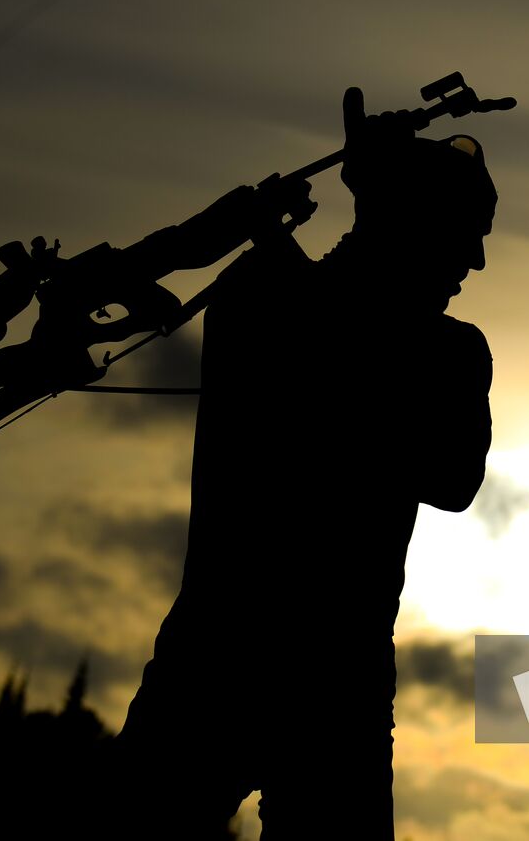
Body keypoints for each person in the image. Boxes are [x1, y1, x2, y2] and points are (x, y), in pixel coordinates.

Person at [116, 87, 497, 838]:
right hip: (223, 666)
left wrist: (361, 205)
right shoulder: (264, 293)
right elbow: (322, 367)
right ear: (408, 225)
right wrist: (361, 203)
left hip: (330, 690)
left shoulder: (449, 350)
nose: (476, 260)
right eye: (463, 233)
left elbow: (452, 477)